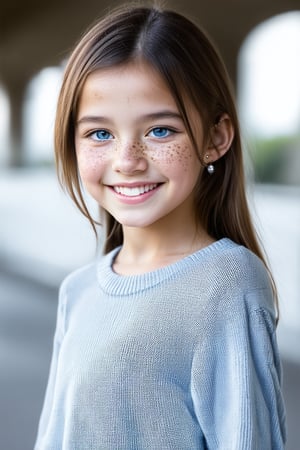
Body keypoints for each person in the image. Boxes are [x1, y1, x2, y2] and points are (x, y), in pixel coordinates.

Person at [35, 4, 286, 449]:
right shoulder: (78, 291)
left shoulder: (226, 284)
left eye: (160, 131)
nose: (127, 160)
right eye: (99, 134)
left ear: (215, 138)